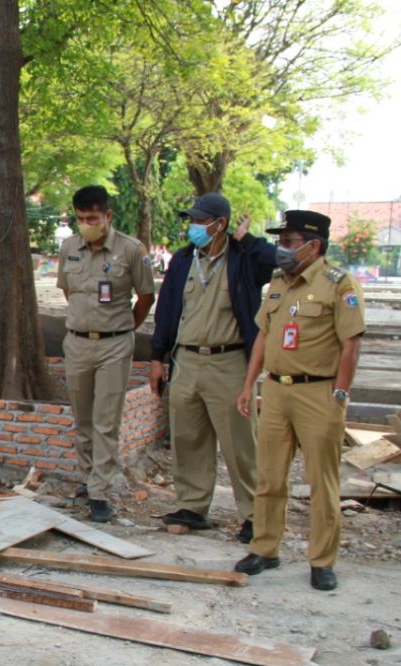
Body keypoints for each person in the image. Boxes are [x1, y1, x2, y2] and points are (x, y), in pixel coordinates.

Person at [233, 210, 365, 592]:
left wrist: (340, 393)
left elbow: (351, 344)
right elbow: (263, 336)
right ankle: (265, 548)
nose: (281, 249)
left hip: (318, 392)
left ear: (314, 245)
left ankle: (322, 560)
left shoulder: (338, 285)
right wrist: (249, 385)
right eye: (281, 241)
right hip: (276, 391)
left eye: (289, 242)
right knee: (270, 476)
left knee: (321, 482)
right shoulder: (277, 284)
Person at [149, 193, 277, 542]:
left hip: (230, 361)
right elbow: (166, 311)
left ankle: (253, 514)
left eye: (200, 221)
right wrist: (157, 357)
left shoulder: (244, 258)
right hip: (186, 360)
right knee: (188, 438)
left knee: (240, 443)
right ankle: (192, 506)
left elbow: (276, 259)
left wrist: (245, 240)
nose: (193, 226)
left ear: (220, 224)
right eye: (191, 220)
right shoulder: (182, 260)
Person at [57, 185, 155, 523]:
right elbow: (70, 291)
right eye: (81, 218)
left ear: (107, 216)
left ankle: (100, 492)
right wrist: (86, 323)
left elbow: (145, 297)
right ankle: (89, 477)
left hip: (115, 346)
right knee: (83, 419)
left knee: (105, 422)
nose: (86, 224)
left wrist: (123, 327)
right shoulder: (69, 247)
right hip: (77, 344)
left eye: (92, 218)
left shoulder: (131, 249)